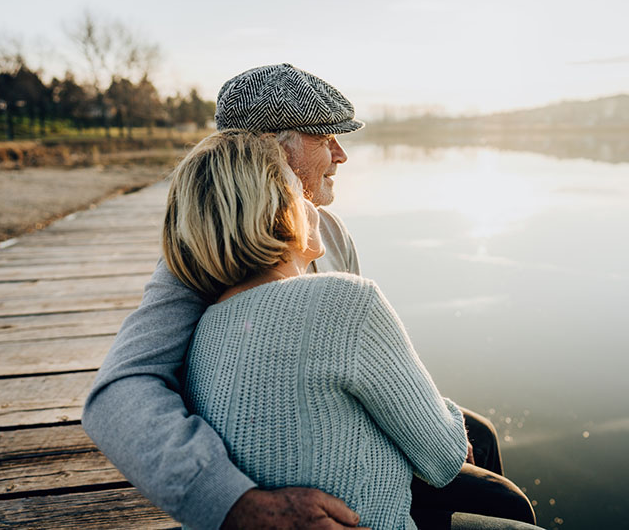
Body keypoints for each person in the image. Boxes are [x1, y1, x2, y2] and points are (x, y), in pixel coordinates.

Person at [82, 63, 538, 530]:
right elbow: (120, 391)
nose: (342, 154)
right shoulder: (206, 250)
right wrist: (236, 503)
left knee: (478, 434)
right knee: (506, 503)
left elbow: (369, 359)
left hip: (345, 421)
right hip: (281, 463)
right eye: (325, 137)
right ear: (270, 151)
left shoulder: (333, 234)